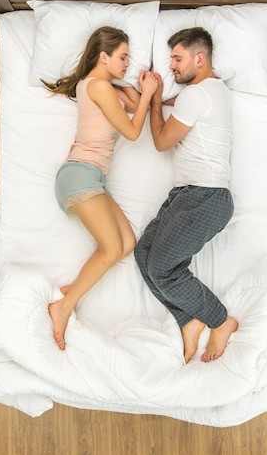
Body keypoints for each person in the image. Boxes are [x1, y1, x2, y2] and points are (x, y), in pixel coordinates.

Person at [43, 26, 158, 351]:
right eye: (123, 57)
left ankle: (73, 289)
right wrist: (148, 92)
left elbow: (135, 107)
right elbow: (135, 131)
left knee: (126, 243)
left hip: (90, 179)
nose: (127, 64)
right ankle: (63, 307)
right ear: (103, 56)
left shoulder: (96, 85)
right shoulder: (100, 88)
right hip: (81, 176)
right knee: (111, 248)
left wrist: (132, 86)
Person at [134, 27, 238, 364]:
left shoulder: (196, 94)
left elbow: (162, 141)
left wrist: (152, 101)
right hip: (188, 195)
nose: (172, 66)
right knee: (144, 254)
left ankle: (221, 321)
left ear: (200, 58)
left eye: (177, 59)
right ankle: (189, 319)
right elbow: (175, 104)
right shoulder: (212, 89)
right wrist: (159, 96)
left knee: (164, 269)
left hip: (204, 195)